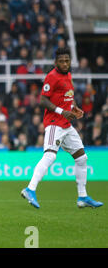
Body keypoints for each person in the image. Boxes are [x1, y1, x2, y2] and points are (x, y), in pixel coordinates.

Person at [21, 47, 103, 209]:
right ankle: (30, 189)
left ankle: (83, 197)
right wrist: (62, 111)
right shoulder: (51, 77)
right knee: (50, 156)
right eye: (61, 61)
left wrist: (74, 107)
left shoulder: (68, 75)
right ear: (55, 62)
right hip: (54, 123)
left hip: (66, 125)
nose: (65, 64)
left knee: (81, 158)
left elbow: (67, 96)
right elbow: (43, 101)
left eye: (67, 61)